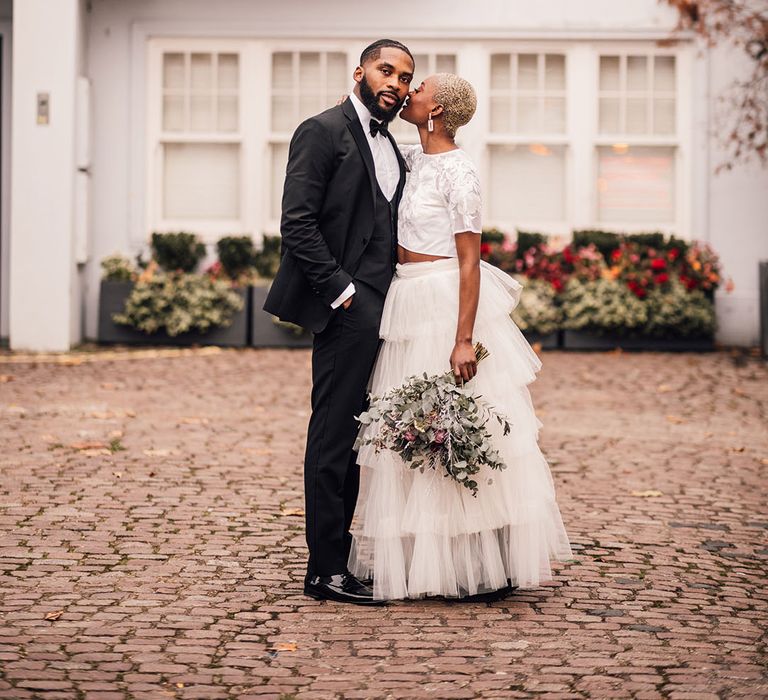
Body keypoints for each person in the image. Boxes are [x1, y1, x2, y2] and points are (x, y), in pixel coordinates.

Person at [347, 73, 574, 601]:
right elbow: (361, 128)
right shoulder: (412, 158)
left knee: (458, 423)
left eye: (418, 87)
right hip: (406, 299)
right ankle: (430, 560)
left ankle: (476, 564)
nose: (408, 92)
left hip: (444, 301)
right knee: (413, 428)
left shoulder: (459, 171)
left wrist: (463, 337)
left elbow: (470, 260)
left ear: (438, 109)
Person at [263, 40, 414, 605]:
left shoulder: (393, 146)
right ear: (360, 72)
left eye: (404, 76)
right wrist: (342, 292)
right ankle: (324, 570)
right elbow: (296, 224)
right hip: (348, 307)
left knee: (354, 438)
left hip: (386, 307)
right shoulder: (321, 131)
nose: (395, 83)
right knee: (332, 436)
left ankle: (340, 560)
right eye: (386, 69)